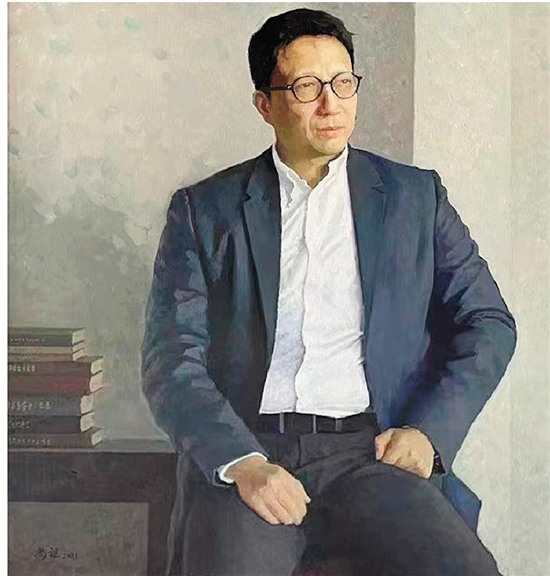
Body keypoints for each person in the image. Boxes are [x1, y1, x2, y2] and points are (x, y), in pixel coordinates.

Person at [141, 8, 516, 576]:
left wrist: (429, 432)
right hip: (254, 450)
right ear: (264, 104)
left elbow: (488, 321)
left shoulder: (415, 198)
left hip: (369, 456)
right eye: (306, 87)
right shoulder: (206, 210)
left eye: (343, 83)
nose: (331, 104)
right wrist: (242, 462)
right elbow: (171, 360)